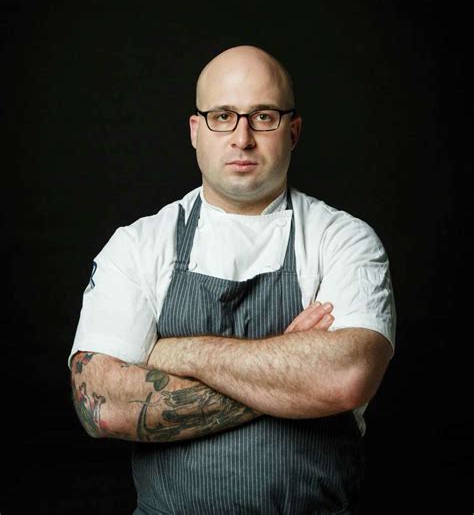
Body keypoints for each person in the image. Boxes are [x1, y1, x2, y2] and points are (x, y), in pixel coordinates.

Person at [69, 44, 396, 515]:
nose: (242, 138)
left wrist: (175, 353)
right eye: (222, 116)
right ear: (195, 131)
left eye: (263, 117)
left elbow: (347, 376)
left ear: (293, 131)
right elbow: (102, 407)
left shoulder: (343, 239)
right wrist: (291, 374)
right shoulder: (138, 245)